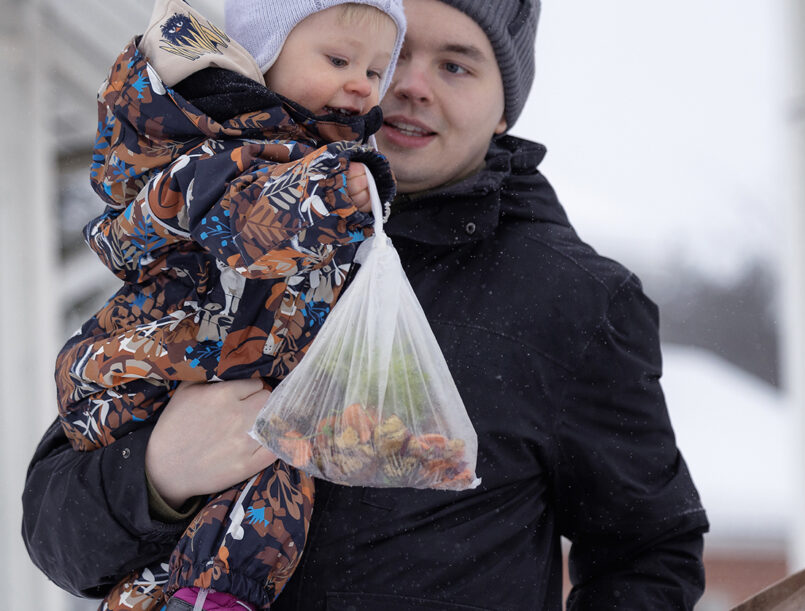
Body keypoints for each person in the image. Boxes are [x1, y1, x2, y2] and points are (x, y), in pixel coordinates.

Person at [24, 0, 711, 608]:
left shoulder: (578, 301)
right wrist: (157, 474)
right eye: (394, 56)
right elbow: (53, 535)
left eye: (457, 66)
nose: (405, 85)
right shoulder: (225, 220)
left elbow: (648, 551)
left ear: (505, 107)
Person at [50, 0, 406, 609]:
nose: (361, 84)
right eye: (339, 59)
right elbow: (245, 228)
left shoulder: (307, 153)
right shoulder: (224, 143)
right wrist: (328, 201)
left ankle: (207, 596)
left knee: (266, 479)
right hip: (147, 366)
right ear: (265, 56)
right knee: (267, 466)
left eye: (376, 72)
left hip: (230, 371)